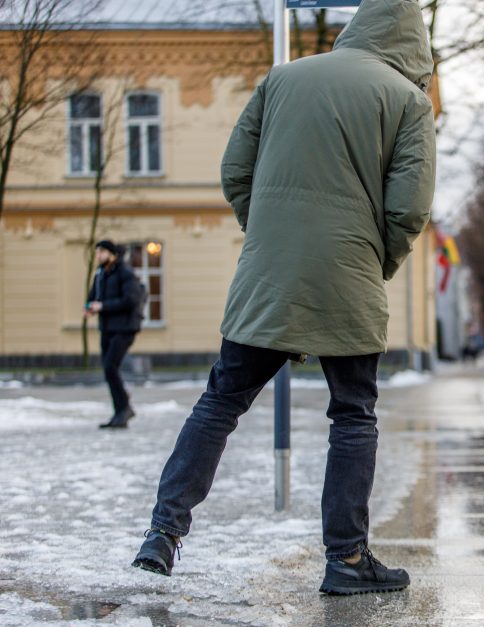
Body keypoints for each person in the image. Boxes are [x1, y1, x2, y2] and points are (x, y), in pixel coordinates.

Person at [132, 0, 435, 596]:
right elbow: (409, 207)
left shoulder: (284, 77)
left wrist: (269, 233)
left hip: (266, 274)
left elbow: (234, 173)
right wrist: (377, 262)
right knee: (353, 414)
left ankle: (162, 536)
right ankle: (346, 561)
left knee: (220, 402)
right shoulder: (408, 101)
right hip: (349, 271)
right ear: (414, 47)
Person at [85, 239, 142, 429]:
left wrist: (102, 306)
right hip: (107, 328)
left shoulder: (125, 273)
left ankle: (124, 408)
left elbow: (131, 300)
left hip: (124, 328)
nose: (98, 255)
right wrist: (89, 307)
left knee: (111, 366)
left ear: (112, 254)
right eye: (97, 252)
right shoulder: (100, 274)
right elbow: (93, 296)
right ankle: (120, 411)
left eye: (101, 252)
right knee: (109, 370)